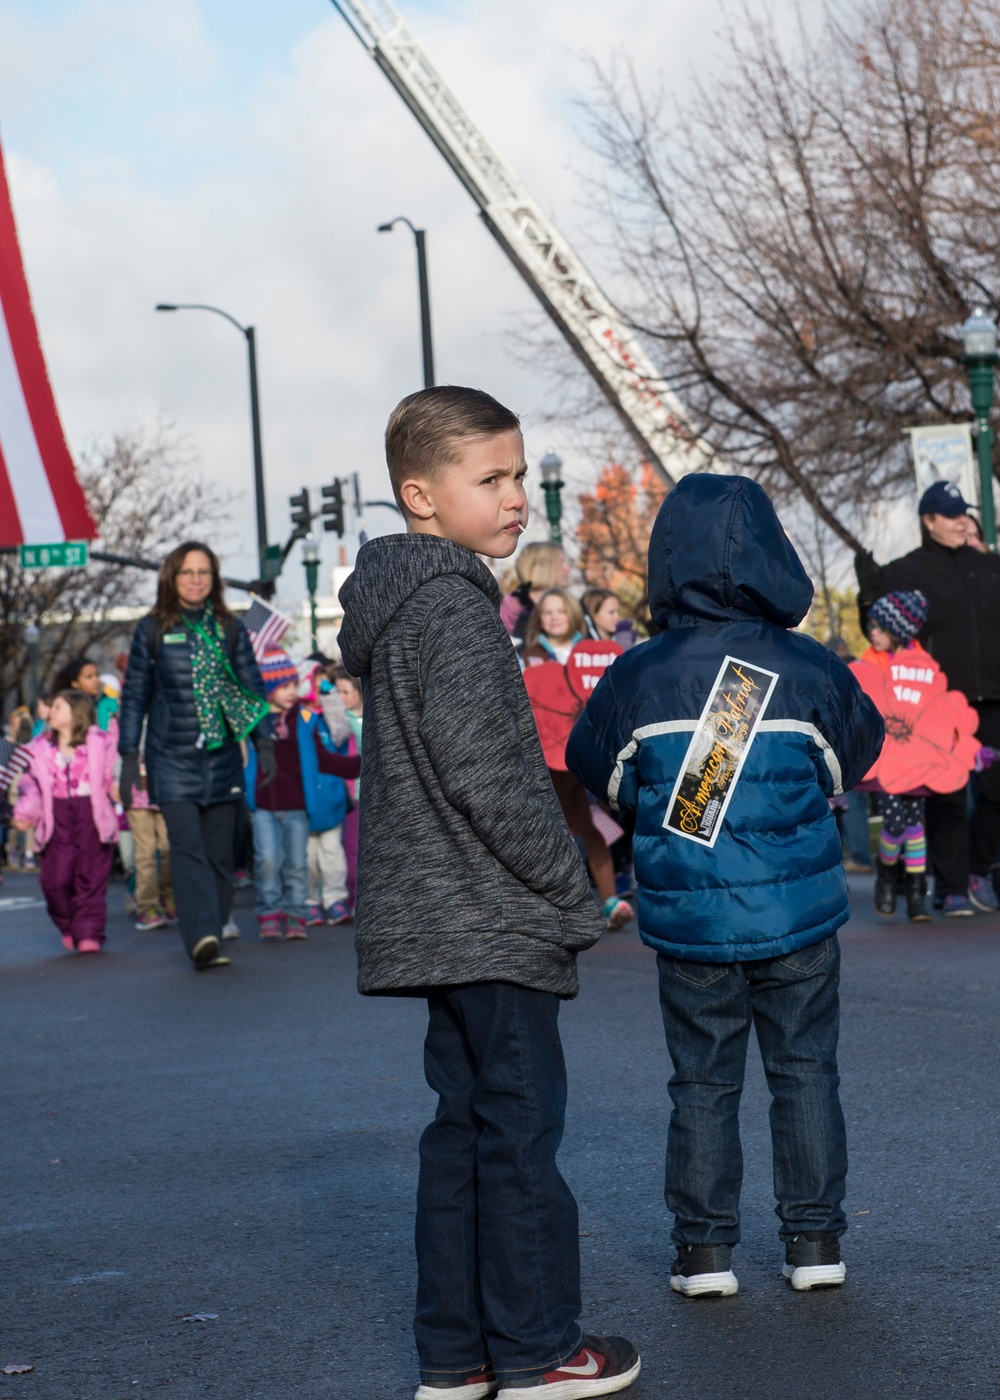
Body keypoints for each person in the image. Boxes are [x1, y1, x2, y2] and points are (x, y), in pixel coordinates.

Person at [338, 385, 639, 1400]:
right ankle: (535, 1346)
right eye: (491, 478)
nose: (516, 498)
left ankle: (455, 1352)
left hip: (434, 915)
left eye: (519, 474)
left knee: (462, 1130)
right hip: (488, 913)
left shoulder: (401, 602)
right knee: (517, 1136)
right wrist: (575, 893)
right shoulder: (454, 608)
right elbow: (493, 780)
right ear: (420, 494)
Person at [568, 473, 883, 1299]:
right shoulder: (807, 665)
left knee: (704, 1083)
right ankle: (815, 1242)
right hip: (798, 912)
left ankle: (705, 1254)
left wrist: (659, 806)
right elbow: (854, 757)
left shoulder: (638, 674)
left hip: (690, 916)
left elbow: (596, 772)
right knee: (806, 1071)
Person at [118, 541, 276, 971]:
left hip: (224, 758)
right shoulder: (151, 629)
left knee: (221, 855)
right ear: (172, 577)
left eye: (204, 572)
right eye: (187, 572)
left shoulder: (230, 627)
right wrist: (128, 756)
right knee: (187, 851)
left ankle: (214, 920)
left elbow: (252, 688)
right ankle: (202, 936)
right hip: (171, 760)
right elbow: (134, 697)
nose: (195, 579)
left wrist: (265, 743)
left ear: (214, 579)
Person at [857, 480, 1000, 913]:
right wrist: (868, 596)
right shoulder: (907, 571)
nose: (961, 522)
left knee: (996, 791)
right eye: (951, 515)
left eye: (964, 514)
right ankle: (952, 885)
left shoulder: (990, 566)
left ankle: (979, 868)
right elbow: (879, 629)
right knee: (948, 797)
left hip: (993, 696)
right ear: (929, 520)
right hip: (937, 704)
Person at [244, 650, 360, 940]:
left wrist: (361, 765)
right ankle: (270, 912)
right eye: (284, 686)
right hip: (263, 804)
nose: (291, 692)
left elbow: (325, 757)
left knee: (297, 862)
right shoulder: (255, 721)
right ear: (269, 689)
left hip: (297, 803)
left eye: (294, 685)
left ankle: (295, 913)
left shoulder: (306, 719)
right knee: (267, 859)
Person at [13, 690, 119, 953]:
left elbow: (111, 771)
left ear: (77, 713)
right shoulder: (39, 748)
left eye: (58, 707)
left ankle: (89, 932)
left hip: (91, 817)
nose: (51, 712)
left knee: (91, 879)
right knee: (55, 880)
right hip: (57, 818)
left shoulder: (98, 741)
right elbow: (30, 784)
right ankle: (67, 923)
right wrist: (24, 812)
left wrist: (119, 785)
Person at [856, 591, 933, 920]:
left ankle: (916, 894)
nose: (872, 632)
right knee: (895, 823)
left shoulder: (924, 664)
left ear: (900, 630)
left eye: (880, 627)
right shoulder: (867, 663)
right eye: (871, 625)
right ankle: (887, 876)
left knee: (916, 825)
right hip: (885, 763)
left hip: (916, 759)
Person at [126, 752, 175, 931]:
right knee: (146, 852)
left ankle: (167, 894)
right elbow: (115, 751)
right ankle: (147, 906)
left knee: (168, 847)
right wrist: (117, 780)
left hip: (165, 787)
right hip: (136, 791)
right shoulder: (123, 724)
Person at [331, 664, 363, 911]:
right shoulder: (342, 722)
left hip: (379, 796)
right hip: (353, 797)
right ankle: (354, 898)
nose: (340, 698)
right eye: (337, 692)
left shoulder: (374, 718)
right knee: (352, 848)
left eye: (345, 692)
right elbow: (337, 733)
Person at [499, 540, 569, 650]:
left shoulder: (568, 602)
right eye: (561, 562)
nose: (567, 568)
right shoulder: (515, 605)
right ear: (543, 567)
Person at [51, 656, 119, 731]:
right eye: (89, 677)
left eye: (97, 675)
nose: (96, 680)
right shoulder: (68, 709)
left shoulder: (103, 703)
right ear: (75, 683)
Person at [522, 588, 585, 666]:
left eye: (561, 611)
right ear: (539, 618)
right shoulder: (528, 657)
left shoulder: (590, 653)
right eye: (547, 613)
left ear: (574, 614)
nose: (554, 617)